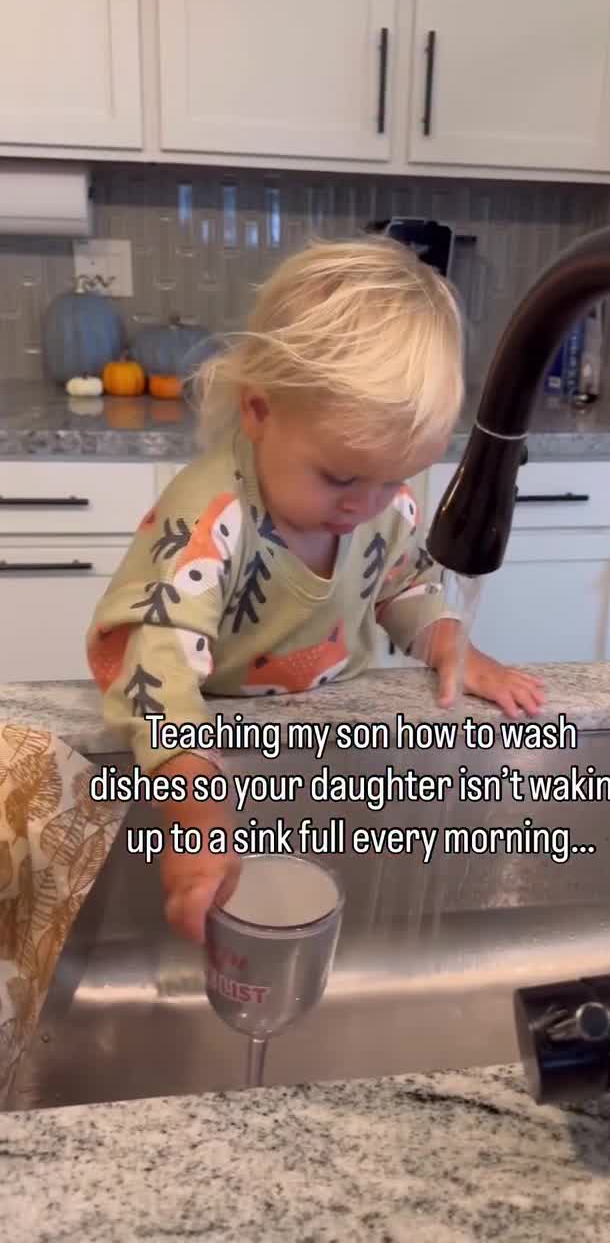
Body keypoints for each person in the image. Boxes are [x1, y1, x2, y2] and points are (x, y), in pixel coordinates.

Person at [86, 238, 544, 945]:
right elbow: (157, 671)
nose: (367, 506)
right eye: (339, 478)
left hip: (323, 741)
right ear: (259, 411)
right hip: (208, 743)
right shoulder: (210, 520)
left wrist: (451, 642)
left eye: (394, 479)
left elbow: (402, 585)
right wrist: (196, 816)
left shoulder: (378, 501)